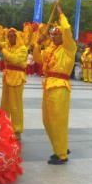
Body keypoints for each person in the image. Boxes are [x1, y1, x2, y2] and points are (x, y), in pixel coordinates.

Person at [33, 9, 76, 165]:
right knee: (47, 121)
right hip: (48, 86)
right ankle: (60, 147)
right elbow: (37, 59)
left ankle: (61, 154)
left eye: (57, 34)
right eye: (53, 34)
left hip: (60, 87)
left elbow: (67, 31)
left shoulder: (69, 48)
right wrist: (37, 44)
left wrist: (62, 15)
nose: (54, 36)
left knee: (58, 120)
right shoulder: (50, 49)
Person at [0, 26, 27, 138]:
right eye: (9, 36)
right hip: (7, 76)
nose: (10, 38)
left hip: (17, 78)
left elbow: (14, 59)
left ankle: (17, 130)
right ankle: (3, 126)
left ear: (17, 37)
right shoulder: (6, 45)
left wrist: (3, 50)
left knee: (16, 105)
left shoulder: (23, 48)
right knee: (4, 104)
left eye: (12, 36)